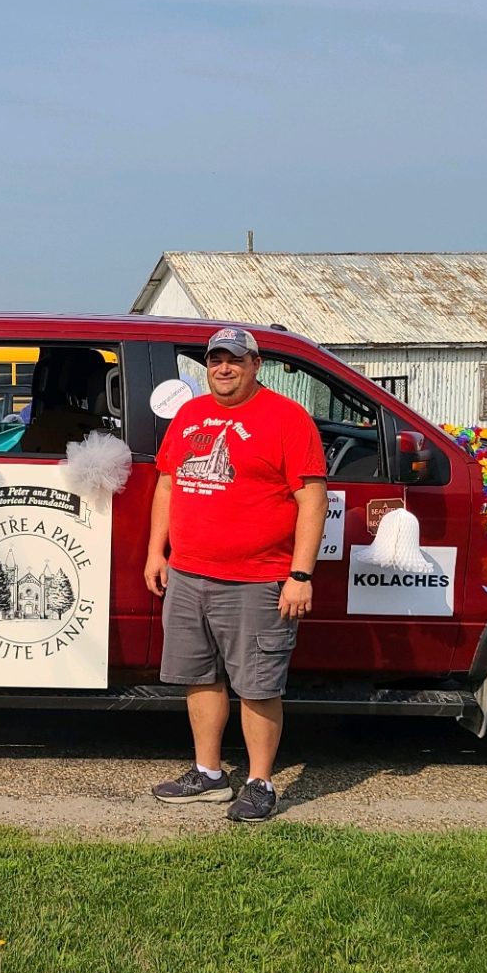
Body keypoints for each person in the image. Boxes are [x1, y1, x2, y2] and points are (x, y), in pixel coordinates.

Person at [144, 327, 328, 823]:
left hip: (258, 578)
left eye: (234, 359)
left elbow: (313, 499)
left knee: (258, 685)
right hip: (187, 574)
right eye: (216, 359)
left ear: (255, 364)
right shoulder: (190, 414)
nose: (223, 368)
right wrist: (156, 553)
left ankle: (260, 781)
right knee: (197, 677)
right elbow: (167, 484)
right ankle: (208, 775)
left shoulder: (287, 419)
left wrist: (300, 574)